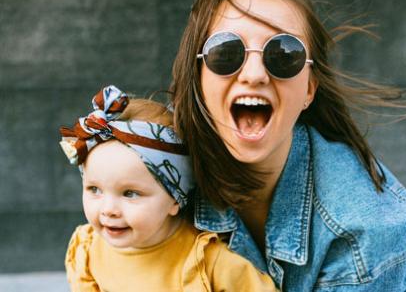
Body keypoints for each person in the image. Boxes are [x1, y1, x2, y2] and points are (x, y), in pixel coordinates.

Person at [169, 0, 406, 291]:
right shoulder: (158, 161)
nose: (253, 74)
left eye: (284, 54)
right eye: (226, 52)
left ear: (309, 89)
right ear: (198, 76)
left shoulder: (361, 229)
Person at [59, 85, 278, 292]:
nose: (108, 209)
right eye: (94, 189)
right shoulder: (88, 249)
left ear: (175, 199)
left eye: (130, 193)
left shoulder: (206, 260)